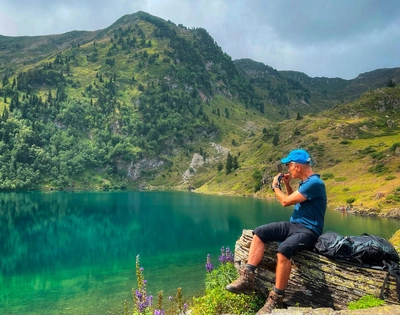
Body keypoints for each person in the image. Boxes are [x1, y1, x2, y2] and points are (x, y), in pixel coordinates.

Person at [225, 149, 327, 314]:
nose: (288, 169)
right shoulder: (306, 183)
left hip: (309, 231)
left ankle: (276, 299)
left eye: (289, 165)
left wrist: (275, 186)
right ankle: (247, 279)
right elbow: (294, 200)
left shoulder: (315, 183)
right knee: (259, 232)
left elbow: (286, 201)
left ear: (297, 166)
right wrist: (287, 184)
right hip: (294, 225)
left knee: (283, 251)